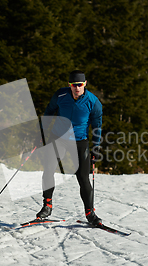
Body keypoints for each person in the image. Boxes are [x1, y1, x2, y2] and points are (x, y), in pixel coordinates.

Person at [36, 70, 103, 225]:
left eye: (79, 84)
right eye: (74, 85)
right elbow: (49, 111)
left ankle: (90, 213)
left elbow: (97, 125)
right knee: (49, 170)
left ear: (85, 83)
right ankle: (47, 205)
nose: (77, 88)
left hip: (80, 141)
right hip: (58, 138)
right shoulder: (60, 95)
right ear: (69, 85)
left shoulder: (93, 101)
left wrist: (96, 147)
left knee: (83, 178)